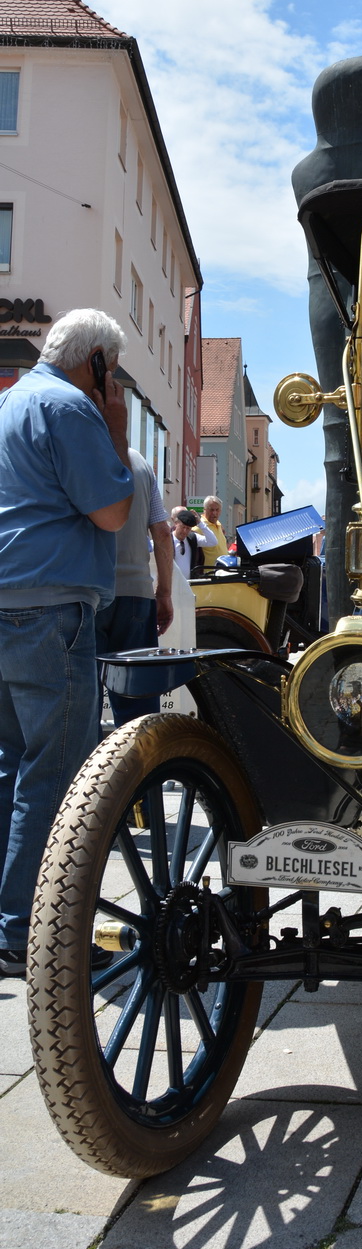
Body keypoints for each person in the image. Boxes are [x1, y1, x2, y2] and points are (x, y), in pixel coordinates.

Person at [0, 310, 133, 978]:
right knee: (52, 776)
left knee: (10, 769)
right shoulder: (69, 407)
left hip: (6, 599)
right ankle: (28, 932)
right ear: (98, 363)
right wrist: (115, 430)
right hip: (51, 609)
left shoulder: (10, 402)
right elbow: (111, 510)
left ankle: (6, 921)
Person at [94, 449, 175, 726]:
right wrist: (164, 593)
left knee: (83, 705)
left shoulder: (78, 450)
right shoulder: (139, 462)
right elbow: (163, 533)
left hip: (87, 591)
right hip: (137, 593)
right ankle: (141, 768)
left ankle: (88, 769)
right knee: (138, 710)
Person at [171, 508, 216, 579]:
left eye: (188, 528)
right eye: (183, 527)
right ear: (176, 524)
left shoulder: (192, 539)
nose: (185, 531)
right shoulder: (167, 540)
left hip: (189, 585)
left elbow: (213, 541)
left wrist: (200, 523)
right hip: (172, 585)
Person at [199, 495, 228, 570]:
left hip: (222, 573)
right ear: (204, 510)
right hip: (208, 574)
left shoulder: (218, 524)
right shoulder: (199, 527)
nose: (214, 513)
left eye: (217, 510)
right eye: (211, 510)